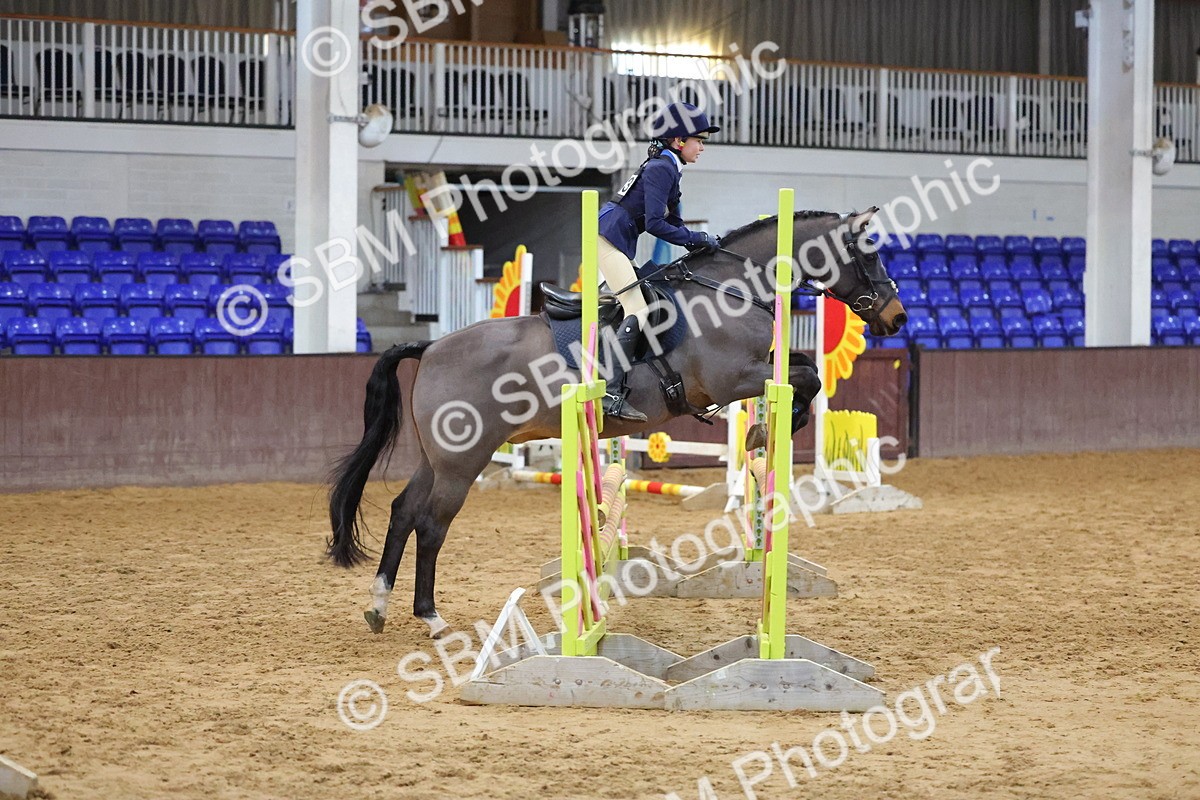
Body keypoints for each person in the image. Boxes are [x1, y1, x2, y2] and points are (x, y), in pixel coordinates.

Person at [595, 102, 720, 422]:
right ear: (679, 141)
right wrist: (695, 239)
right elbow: (654, 223)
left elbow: (675, 224)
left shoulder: (669, 168)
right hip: (606, 240)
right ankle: (609, 391)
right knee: (638, 308)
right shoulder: (661, 168)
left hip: (616, 239)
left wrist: (701, 242)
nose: (702, 147)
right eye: (699, 140)